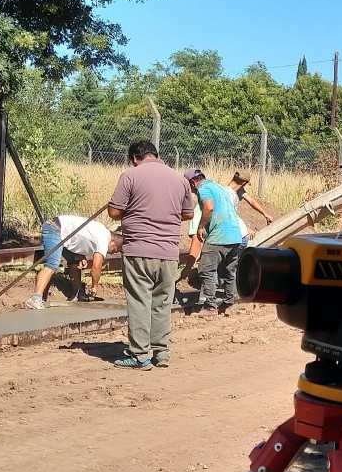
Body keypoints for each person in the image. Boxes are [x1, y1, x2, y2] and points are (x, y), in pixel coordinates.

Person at [108, 140, 195, 371]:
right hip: (168, 252)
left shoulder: (130, 176)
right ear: (155, 154)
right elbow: (188, 213)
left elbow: (114, 212)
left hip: (139, 250)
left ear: (135, 158)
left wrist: (134, 208)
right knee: (162, 302)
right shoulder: (180, 180)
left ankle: (139, 356)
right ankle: (162, 353)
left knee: (139, 301)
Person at [24, 215, 122, 310]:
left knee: (75, 261)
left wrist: (81, 255)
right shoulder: (104, 239)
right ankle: (35, 299)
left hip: (65, 234)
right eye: (114, 250)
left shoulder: (101, 232)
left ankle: (77, 294)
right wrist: (94, 286)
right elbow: (97, 266)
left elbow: (81, 236)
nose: (112, 253)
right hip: (55, 229)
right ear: (113, 241)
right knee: (52, 264)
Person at [184, 168, 242, 316]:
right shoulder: (218, 187)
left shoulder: (203, 189)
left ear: (192, 182)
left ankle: (210, 306)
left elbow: (209, 207)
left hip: (220, 235)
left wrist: (201, 226)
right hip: (235, 234)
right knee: (228, 270)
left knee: (206, 270)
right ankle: (230, 303)